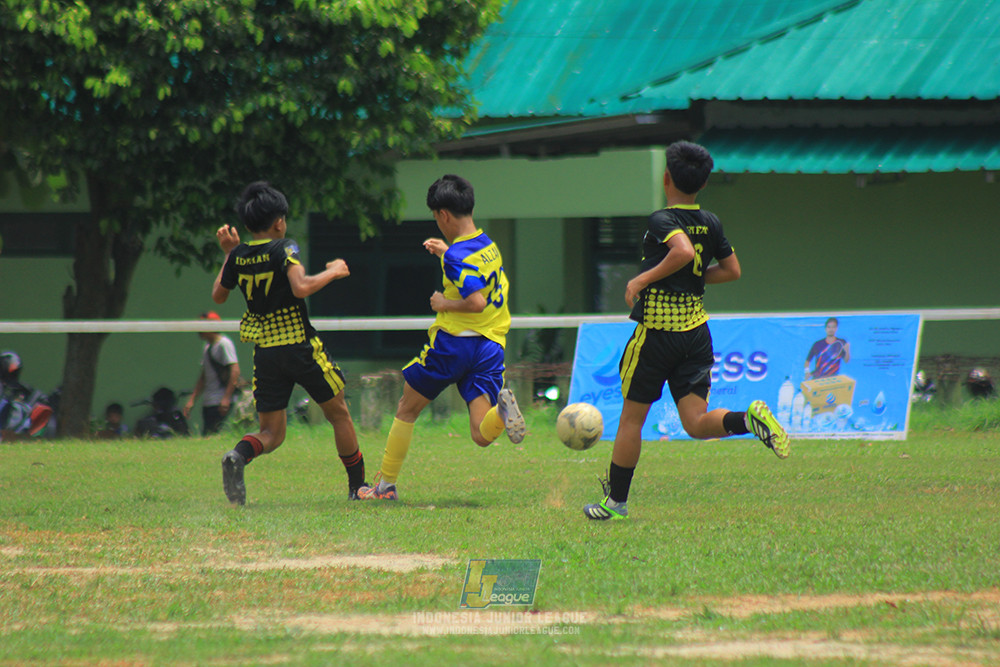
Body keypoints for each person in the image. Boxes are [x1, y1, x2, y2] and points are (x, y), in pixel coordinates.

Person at [583, 141, 790, 521]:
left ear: (666, 178)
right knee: (695, 423)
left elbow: (681, 252)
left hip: (658, 335)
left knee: (631, 420)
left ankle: (616, 504)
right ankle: (747, 419)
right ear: (703, 184)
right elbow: (732, 271)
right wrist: (693, 280)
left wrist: (640, 280)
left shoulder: (662, 219)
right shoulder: (711, 222)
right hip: (696, 333)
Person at [357, 174, 526, 501]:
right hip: (489, 347)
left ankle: (385, 487)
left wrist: (443, 302)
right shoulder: (488, 246)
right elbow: (472, 272)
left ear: (444, 215)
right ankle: (502, 412)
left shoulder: (455, 257)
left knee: (406, 407)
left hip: (454, 344)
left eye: (436, 216)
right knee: (481, 434)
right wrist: (446, 252)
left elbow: (474, 301)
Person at [211, 181, 366, 505]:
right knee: (339, 414)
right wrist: (334, 272)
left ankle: (238, 456)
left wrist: (229, 254)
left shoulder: (239, 256)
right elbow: (301, 287)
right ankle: (358, 488)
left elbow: (218, 295)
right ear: (279, 222)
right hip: (299, 345)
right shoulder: (284, 247)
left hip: (265, 352)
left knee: (271, 433)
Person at [182, 311, 242, 435]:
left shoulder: (224, 344)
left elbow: (234, 370)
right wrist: (192, 399)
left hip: (220, 401)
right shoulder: (207, 347)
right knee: (208, 434)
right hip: (209, 400)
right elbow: (203, 376)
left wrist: (226, 398)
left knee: (215, 434)